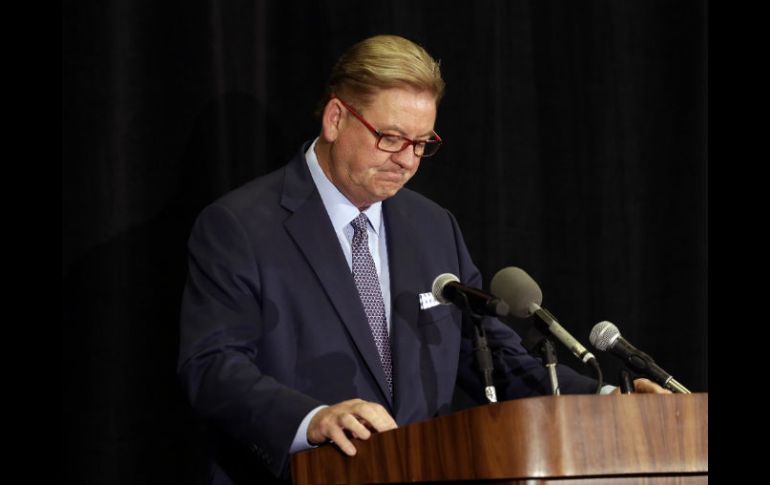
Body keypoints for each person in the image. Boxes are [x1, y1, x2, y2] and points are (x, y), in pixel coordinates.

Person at [177, 34, 667, 485]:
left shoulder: (433, 227)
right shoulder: (241, 226)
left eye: (422, 143)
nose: (407, 160)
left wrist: (609, 403)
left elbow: (492, 358)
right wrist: (312, 419)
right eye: (391, 138)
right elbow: (212, 366)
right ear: (336, 119)